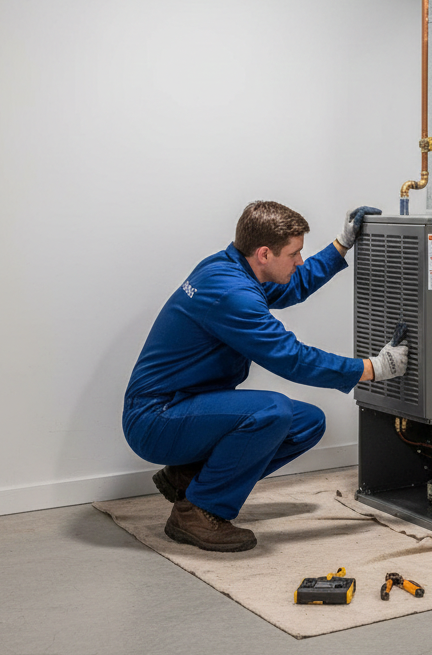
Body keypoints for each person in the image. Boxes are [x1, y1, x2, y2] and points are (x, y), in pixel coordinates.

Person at [122, 200, 407, 552]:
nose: (299, 260)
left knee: (307, 422)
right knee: (271, 411)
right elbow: (291, 358)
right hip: (156, 419)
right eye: (294, 253)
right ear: (264, 254)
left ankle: (188, 477)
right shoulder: (231, 295)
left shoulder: (231, 268)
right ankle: (198, 511)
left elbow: (292, 284)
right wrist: (373, 369)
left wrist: (342, 244)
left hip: (186, 406)